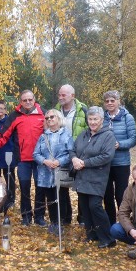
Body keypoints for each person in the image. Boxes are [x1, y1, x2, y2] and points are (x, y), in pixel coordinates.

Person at [0, 90, 45, 226]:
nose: (28, 102)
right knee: (24, 188)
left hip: (41, 159)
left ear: (34, 99)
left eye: (30, 99)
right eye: (24, 100)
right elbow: (4, 134)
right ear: (20, 102)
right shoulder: (15, 116)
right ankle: (26, 217)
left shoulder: (43, 113)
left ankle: (39, 216)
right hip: (23, 159)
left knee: (40, 188)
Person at [70, 106, 116, 248]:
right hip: (82, 177)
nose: (93, 122)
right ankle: (91, 235)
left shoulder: (108, 135)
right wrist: (74, 159)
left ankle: (108, 238)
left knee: (95, 206)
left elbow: (106, 156)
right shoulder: (83, 134)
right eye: (90, 119)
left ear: (101, 120)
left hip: (97, 177)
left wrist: (84, 163)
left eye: (95, 119)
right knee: (84, 207)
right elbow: (72, 150)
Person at [32, 109, 73, 235]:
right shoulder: (43, 136)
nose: (49, 119)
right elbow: (35, 154)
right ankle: (54, 221)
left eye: (52, 117)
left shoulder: (66, 134)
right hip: (46, 173)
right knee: (50, 198)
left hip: (60, 171)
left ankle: (63, 222)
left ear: (58, 118)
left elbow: (71, 153)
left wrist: (59, 161)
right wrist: (45, 161)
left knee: (61, 197)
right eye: (47, 118)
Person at [55, 84, 88, 225]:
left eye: (64, 95)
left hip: (79, 155)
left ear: (72, 96)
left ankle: (82, 218)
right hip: (61, 155)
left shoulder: (83, 110)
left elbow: (90, 130)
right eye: (59, 95)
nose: (61, 97)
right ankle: (64, 218)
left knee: (81, 187)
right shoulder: (55, 111)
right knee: (61, 187)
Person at [102, 90, 136, 225]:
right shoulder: (102, 118)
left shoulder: (128, 117)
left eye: (112, 100)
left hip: (121, 162)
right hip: (105, 163)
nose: (110, 103)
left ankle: (124, 222)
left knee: (121, 195)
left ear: (118, 101)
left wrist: (119, 144)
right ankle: (110, 222)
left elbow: (133, 139)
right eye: (107, 101)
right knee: (107, 194)